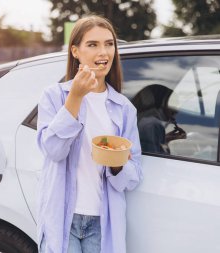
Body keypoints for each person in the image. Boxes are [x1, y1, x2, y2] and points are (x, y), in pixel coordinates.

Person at [36, 15, 142, 253]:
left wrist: (117, 165)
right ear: (75, 51)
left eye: (109, 43)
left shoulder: (124, 108)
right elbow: (53, 150)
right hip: (63, 218)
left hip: (102, 223)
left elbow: (134, 174)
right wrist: (75, 97)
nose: (103, 52)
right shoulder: (55, 96)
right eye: (92, 45)